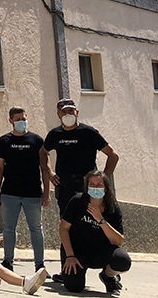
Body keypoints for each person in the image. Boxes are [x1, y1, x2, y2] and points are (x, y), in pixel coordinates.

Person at [42, 98, 119, 282]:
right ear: (58, 114)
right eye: (63, 111)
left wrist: (104, 180)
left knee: (99, 224)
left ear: (77, 112)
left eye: (71, 111)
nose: (67, 114)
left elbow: (113, 155)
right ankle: (66, 269)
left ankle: (110, 272)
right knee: (66, 226)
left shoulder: (89, 133)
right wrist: (49, 171)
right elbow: (43, 152)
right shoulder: (55, 134)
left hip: (89, 189)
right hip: (66, 188)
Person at [0, 106, 48, 274]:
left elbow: (45, 168)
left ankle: (40, 264)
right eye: (17, 119)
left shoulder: (37, 140)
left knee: (36, 228)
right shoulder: (4, 141)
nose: (21, 122)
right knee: (9, 228)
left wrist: (46, 193)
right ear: (10, 121)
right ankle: (8, 262)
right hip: (10, 192)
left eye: (23, 118)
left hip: (32, 193)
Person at [59, 170, 130, 296]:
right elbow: (63, 228)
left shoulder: (112, 208)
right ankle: (69, 275)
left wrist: (101, 220)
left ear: (106, 188)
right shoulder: (77, 201)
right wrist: (70, 256)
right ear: (87, 187)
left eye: (99, 185)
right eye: (92, 184)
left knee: (122, 260)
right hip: (76, 252)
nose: (95, 187)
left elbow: (118, 241)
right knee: (74, 287)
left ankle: (107, 276)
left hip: (99, 251)